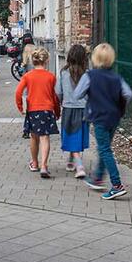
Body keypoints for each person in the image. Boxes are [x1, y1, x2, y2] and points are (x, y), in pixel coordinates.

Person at [79, 43, 132, 199]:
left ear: (95, 58)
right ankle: (97, 178)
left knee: (105, 150)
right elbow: (128, 94)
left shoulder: (90, 76)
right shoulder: (116, 77)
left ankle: (116, 185)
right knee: (105, 147)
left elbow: (78, 94)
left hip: (99, 117)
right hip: (114, 117)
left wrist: (92, 97)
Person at [14, 46, 59, 178]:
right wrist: (57, 111)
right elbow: (54, 96)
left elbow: (18, 92)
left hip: (33, 109)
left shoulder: (28, 76)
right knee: (45, 137)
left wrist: (20, 106)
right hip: (47, 109)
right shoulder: (51, 77)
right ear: (46, 61)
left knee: (34, 136)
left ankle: (34, 162)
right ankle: (44, 165)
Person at [56, 44, 90, 179]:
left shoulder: (63, 73)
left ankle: (79, 165)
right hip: (83, 109)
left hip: (69, 109)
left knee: (71, 134)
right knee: (77, 135)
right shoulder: (87, 74)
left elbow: (58, 91)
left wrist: (61, 101)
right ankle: (71, 160)